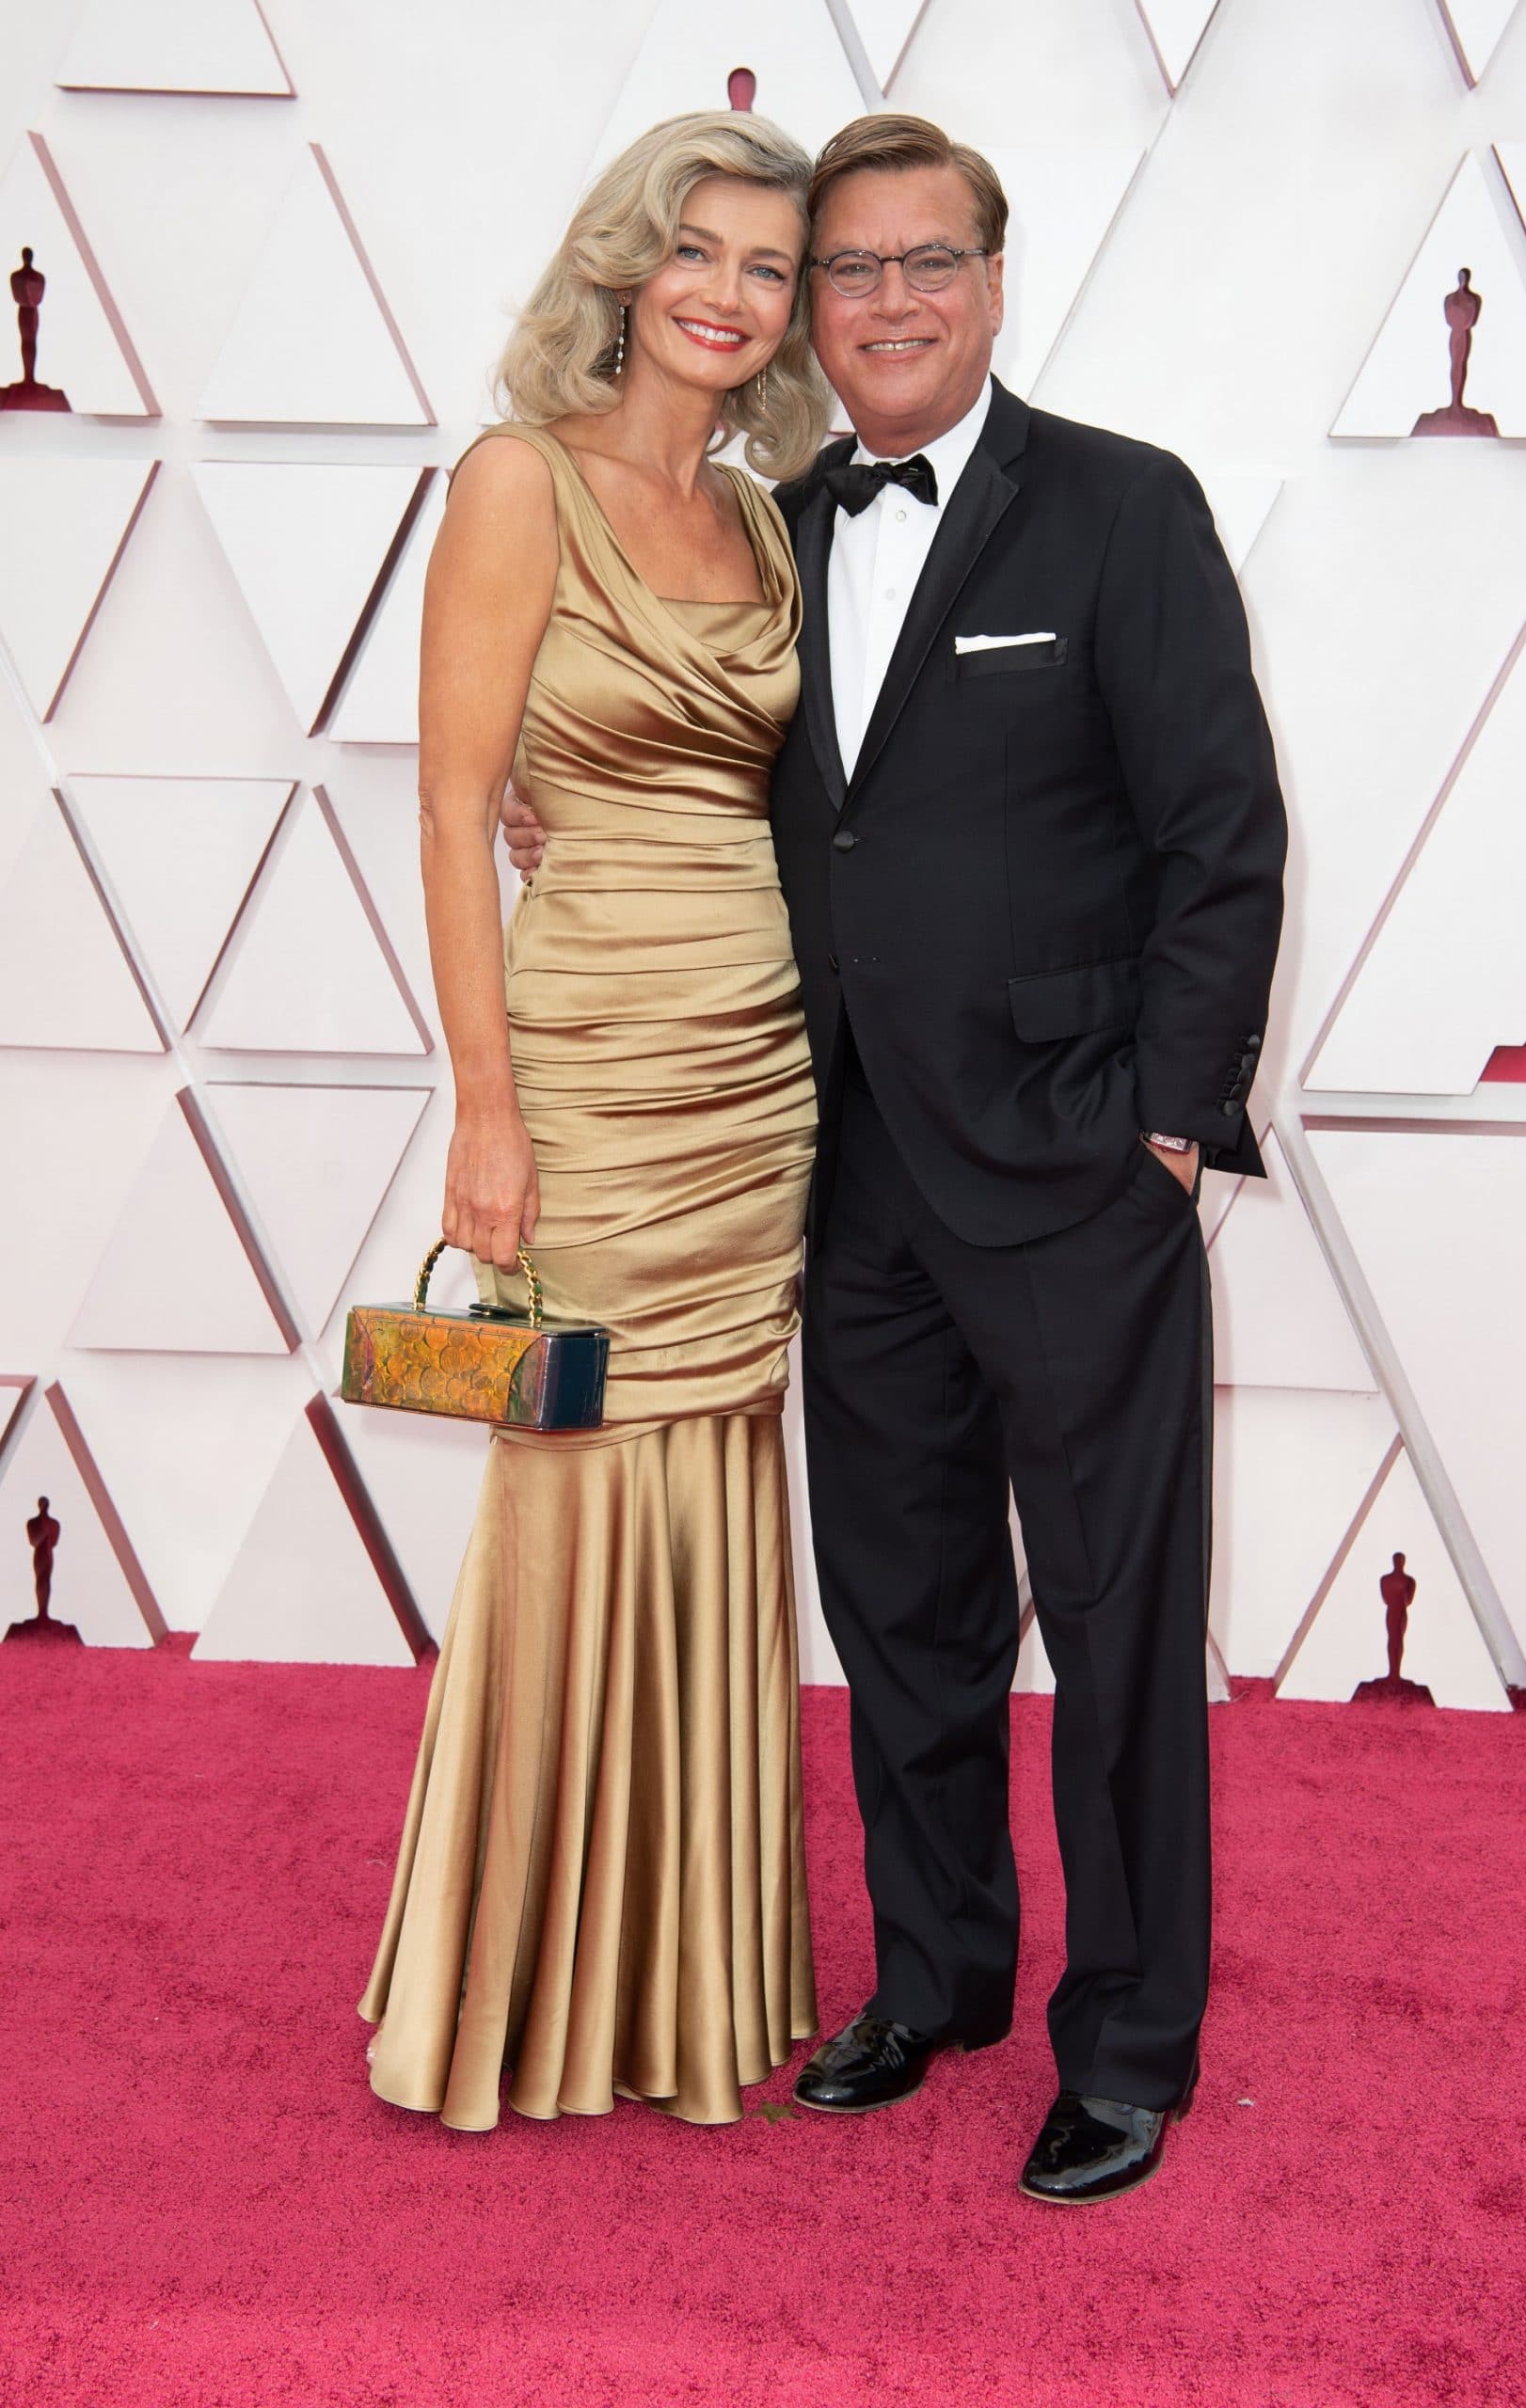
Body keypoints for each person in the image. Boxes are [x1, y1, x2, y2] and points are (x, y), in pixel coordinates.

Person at [507, 113, 1287, 2201]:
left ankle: (1125, 2039)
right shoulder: (766, 523)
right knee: (907, 1612)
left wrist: (1164, 1130)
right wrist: (555, 814)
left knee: (1117, 1623)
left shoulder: (1123, 510)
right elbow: (700, 754)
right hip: (841, 1164)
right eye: (843, 269)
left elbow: (1222, 835)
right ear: (805, 312)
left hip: (1068, 1173)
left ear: (995, 276)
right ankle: (934, 1972)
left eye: (926, 259)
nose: (886, 300)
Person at [359, 110, 833, 2131]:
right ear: (629, 265)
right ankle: (524, 1980)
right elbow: (456, 810)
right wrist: (484, 1103)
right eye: (701, 253)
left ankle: (685, 1969)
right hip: (588, 1059)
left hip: (760, 1067)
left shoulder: (773, 516)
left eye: (772, 270)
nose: (731, 297)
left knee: (719, 1458)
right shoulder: (512, 481)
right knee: (571, 1465)